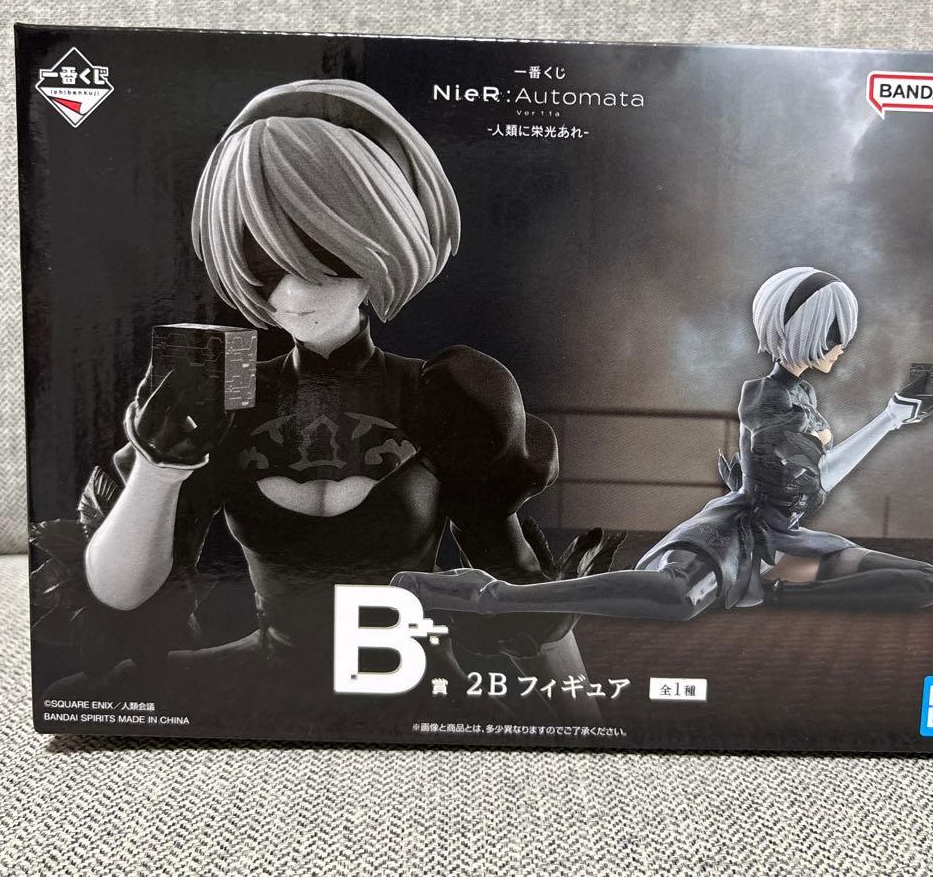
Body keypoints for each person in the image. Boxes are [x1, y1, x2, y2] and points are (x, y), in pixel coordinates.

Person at [33, 79, 615, 721]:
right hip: (269, 673)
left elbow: (522, 596)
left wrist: (584, 722)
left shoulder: (444, 394)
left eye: (321, 257)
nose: (291, 292)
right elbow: (121, 596)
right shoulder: (234, 390)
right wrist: (158, 468)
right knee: (79, 700)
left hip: (409, 685)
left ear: (379, 250)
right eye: (262, 262)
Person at [393, 267, 933, 622]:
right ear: (799, 328)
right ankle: (492, 596)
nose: (841, 345)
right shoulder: (769, 399)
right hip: (739, 535)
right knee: (678, 597)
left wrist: (891, 418)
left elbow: (813, 478)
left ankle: (781, 592)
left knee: (923, 581)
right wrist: (885, 422)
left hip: (787, 549)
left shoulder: (802, 398)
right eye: (832, 333)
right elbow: (799, 481)